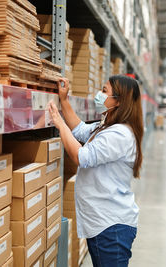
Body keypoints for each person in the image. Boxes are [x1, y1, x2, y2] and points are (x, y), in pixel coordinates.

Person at [48, 75, 143, 266]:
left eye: (104, 91)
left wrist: (59, 124)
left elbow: (82, 157)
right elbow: (81, 130)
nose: (99, 95)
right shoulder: (108, 127)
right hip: (105, 222)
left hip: (111, 226)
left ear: (118, 101)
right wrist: (64, 101)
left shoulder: (119, 134)